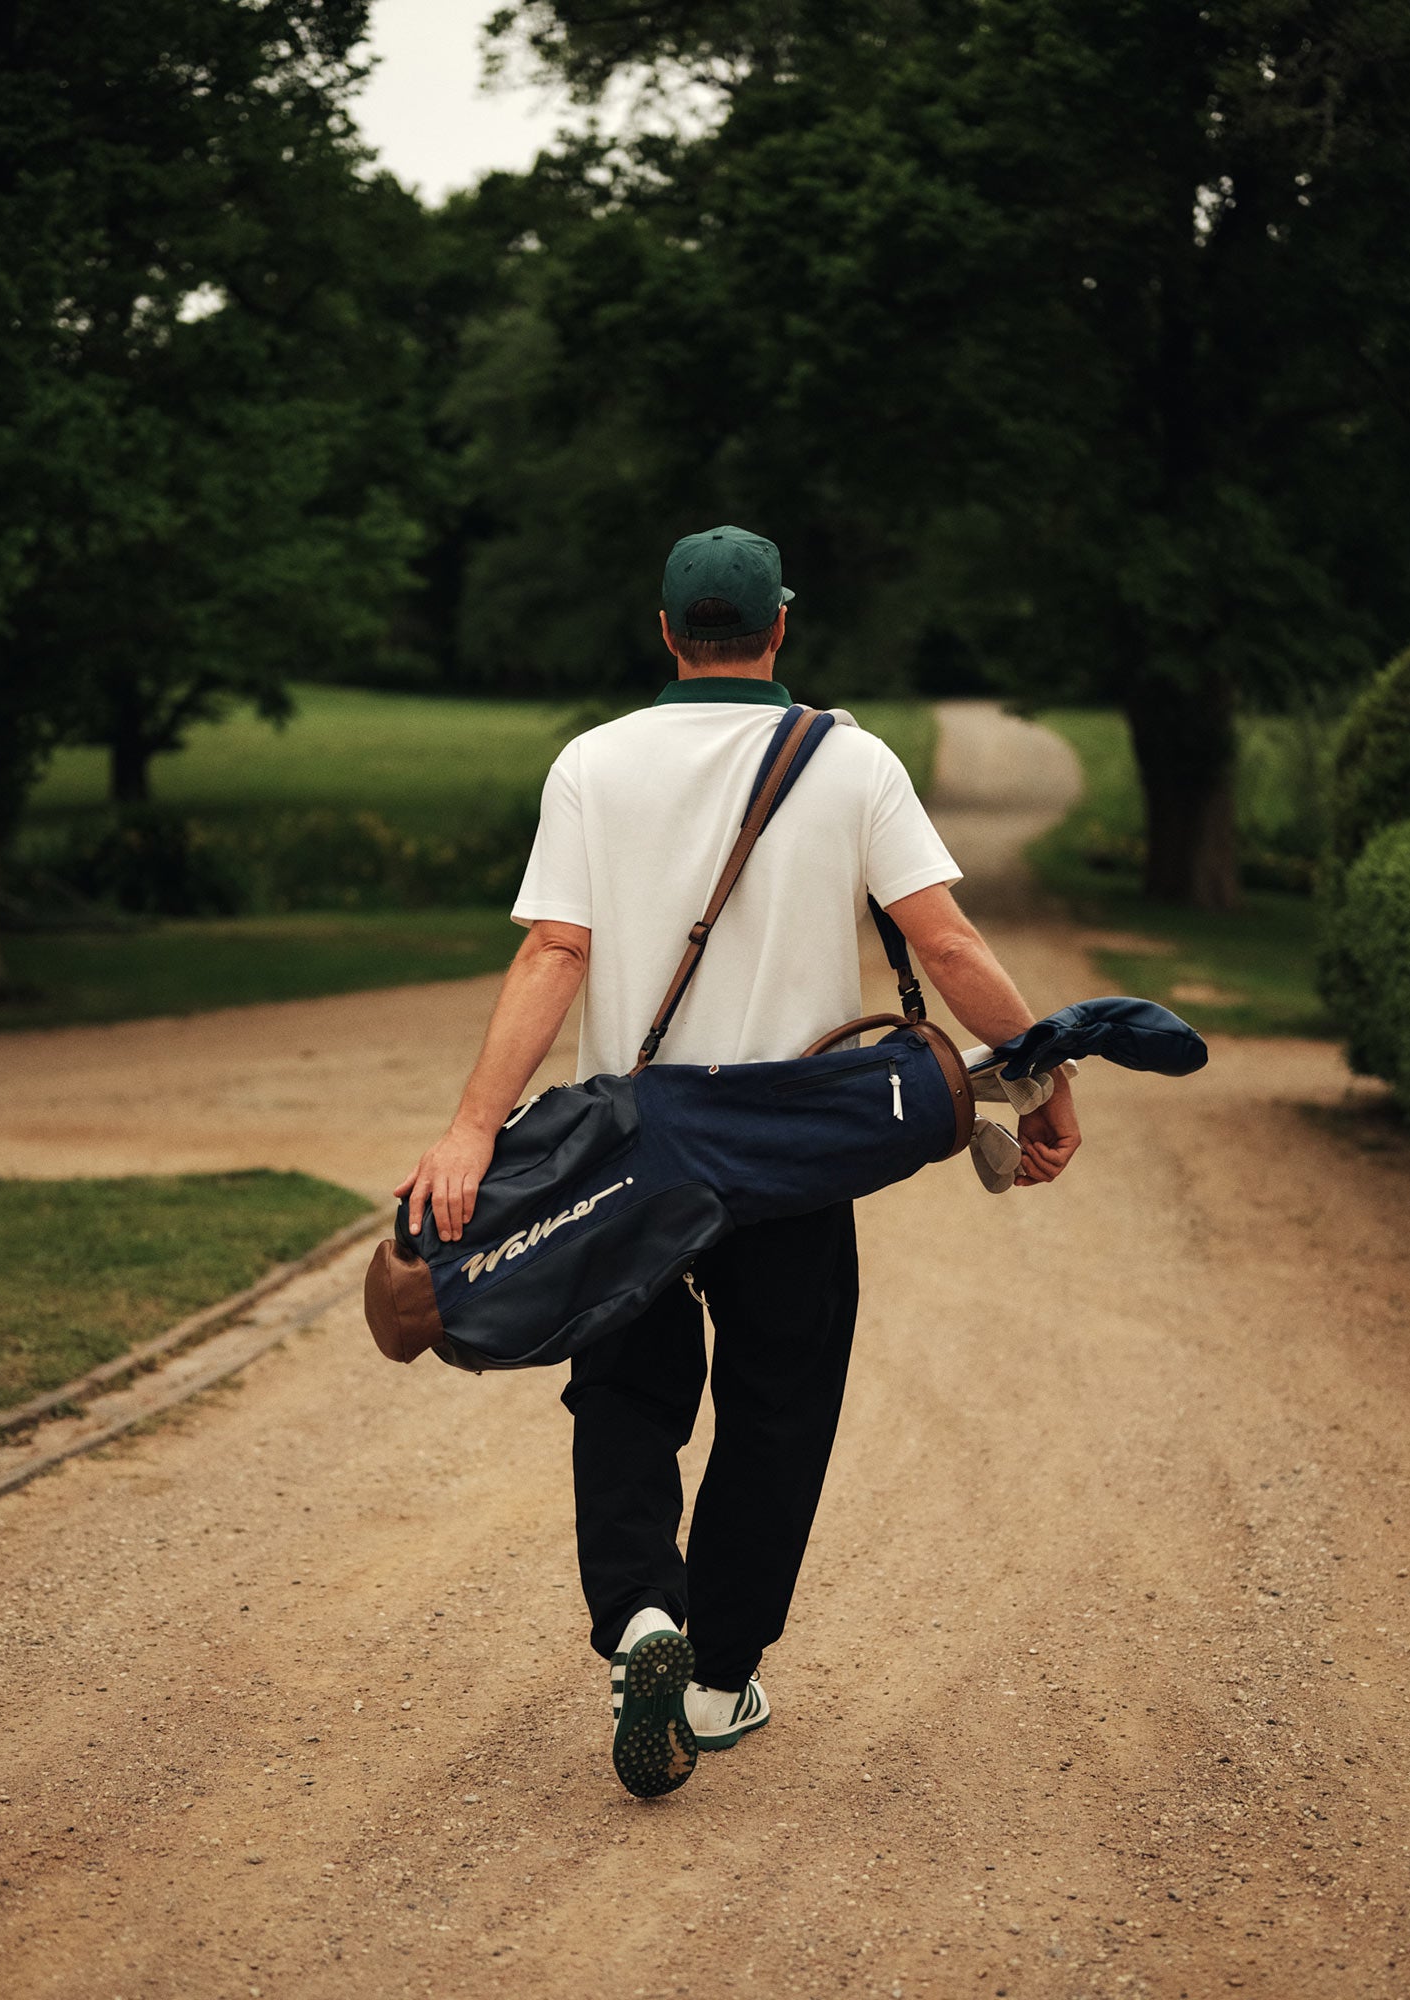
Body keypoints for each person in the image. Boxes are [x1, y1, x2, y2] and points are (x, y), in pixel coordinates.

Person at [396, 525, 1081, 1799]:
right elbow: (948, 936)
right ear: (779, 626)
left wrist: (473, 1128)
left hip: (638, 1148)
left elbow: (555, 951)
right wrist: (1040, 1070)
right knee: (779, 1405)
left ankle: (639, 1617)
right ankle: (717, 1673)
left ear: (666, 631)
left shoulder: (593, 762)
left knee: (623, 1391)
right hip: (794, 1150)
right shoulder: (851, 758)